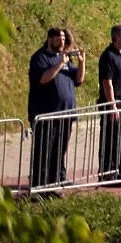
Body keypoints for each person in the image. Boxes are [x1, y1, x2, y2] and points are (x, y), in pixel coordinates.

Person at [27, 27, 83, 190]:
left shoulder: (63, 58)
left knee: (58, 151)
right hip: (46, 114)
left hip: (66, 113)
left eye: (64, 39)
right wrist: (60, 64)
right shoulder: (40, 58)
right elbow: (43, 79)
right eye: (59, 39)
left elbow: (78, 80)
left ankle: (54, 183)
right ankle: (39, 186)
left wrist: (82, 62)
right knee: (43, 152)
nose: (62, 42)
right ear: (50, 39)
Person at [96, 23, 121, 182]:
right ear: (116, 37)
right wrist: (112, 106)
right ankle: (107, 173)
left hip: (119, 102)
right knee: (109, 139)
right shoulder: (108, 56)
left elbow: (119, 81)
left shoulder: (120, 54)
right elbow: (107, 83)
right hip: (110, 105)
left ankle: (120, 169)